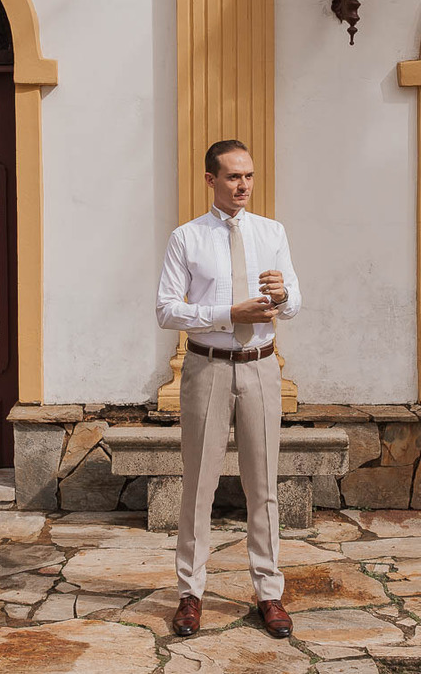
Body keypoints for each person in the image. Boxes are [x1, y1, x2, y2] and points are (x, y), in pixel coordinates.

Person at [155, 139, 301, 639]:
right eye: (234, 176)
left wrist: (283, 297)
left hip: (261, 367)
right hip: (208, 367)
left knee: (263, 486)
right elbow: (166, 310)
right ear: (210, 179)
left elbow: (295, 298)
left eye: (249, 176)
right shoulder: (186, 238)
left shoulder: (272, 232)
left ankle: (269, 592)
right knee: (199, 485)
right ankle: (190, 593)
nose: (243, 185)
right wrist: (226, 313)